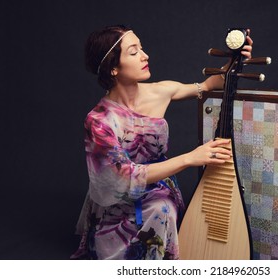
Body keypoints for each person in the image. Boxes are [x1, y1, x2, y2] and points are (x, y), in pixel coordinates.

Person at [71, 24, 253, 260]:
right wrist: (190, 158)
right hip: (117, 198)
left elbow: (210, 84)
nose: (145, 56)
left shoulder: (161, 91)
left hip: (157, 189)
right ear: (113, 68)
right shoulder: (99, 120)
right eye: (134, 52)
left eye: (142, 48)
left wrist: (236, 60)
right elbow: (122, 176)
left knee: (161, 209)